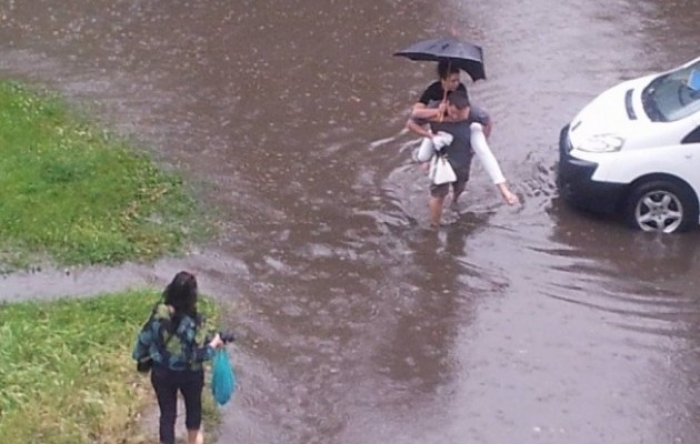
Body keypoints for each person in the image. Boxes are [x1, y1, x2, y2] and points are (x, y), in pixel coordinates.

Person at [133, 271, 224, 444]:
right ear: (192, 296)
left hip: (161, 373)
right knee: (193, 411)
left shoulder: (159, 315)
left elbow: (144, 339)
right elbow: (198, 355)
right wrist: (214, 343)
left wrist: (140, 358)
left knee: (167, 415)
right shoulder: (195, 322)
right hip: (190, 375)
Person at [409, 90, 519, 227]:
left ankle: (454, 200)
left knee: (460, 186)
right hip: (442, 157)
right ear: (447, 105)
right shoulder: (434, 112)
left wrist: (504, 191)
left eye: (461, 115)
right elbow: (412, 122)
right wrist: (430, 136)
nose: (456, 117)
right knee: (438, 195)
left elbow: (486, 153)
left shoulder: (475, 115)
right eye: (453, 113)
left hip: (462, 159)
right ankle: (434, 227)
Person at [408, 59, 493, 139]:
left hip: (455, 119)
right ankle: (431, 136)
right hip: (438, 116)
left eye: (458, 80)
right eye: (453, 81)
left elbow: (463, 115)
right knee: (411, 124)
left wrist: (433, 119)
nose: (456, 83)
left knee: (483, 117)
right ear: (443, 80)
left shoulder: (460, 88)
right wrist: (438, 111)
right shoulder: (433, 89)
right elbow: (416, 112)